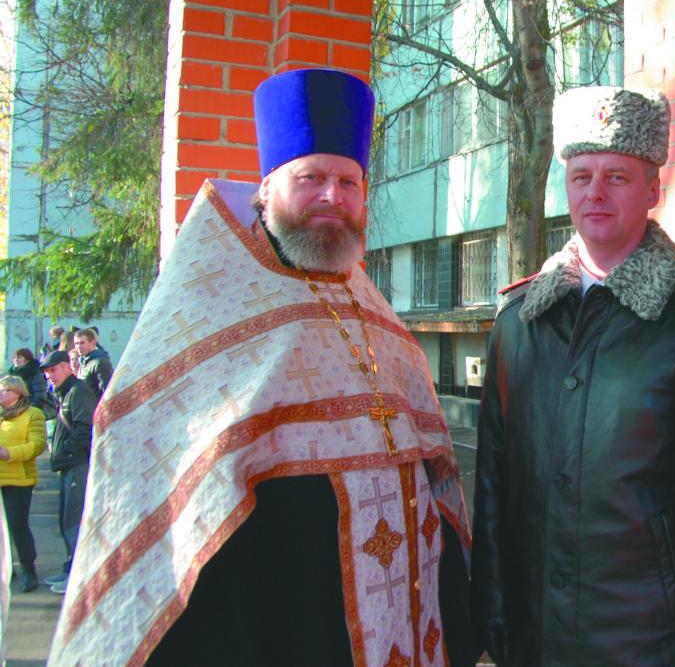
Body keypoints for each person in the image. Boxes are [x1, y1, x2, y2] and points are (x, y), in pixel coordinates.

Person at [48, 68, 473, 667]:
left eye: (348, 182)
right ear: (267, 186)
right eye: (311, 178)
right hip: (281, 609)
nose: (332, 197)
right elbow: (146, 446)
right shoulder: (215, 303)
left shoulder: (371, 306)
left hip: (404, 611)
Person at [472, 86, 675, 666]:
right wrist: (493, 614)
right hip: (534, 638)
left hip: (652, 642)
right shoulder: (519, 319)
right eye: (581, 176)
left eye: (617, 176)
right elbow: (492, 486)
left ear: (653, 189)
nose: (595, 193)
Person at [39, 349, 97, 595]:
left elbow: (86, 427)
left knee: (73, 522)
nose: (49, 376)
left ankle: (78, 577)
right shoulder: (65, 392)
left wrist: (66, 452)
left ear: (66, 367)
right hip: (69, 464)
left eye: (53, 370)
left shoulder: (77, 391)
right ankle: (70, 568)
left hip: (77, 464)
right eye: (46, 372)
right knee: (66, 520)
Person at [0, 375, 48, 593]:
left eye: (5, 390)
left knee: (17, 525)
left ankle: (29, 570)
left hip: (19, 479)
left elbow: (37, 445)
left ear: (18, 393)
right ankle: (7, 569)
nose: (1, 393)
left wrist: (8, 453)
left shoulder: (33, 414)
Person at [73, 328, 113, 400]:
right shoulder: (83, 361)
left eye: (82, 343)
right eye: (76, 344)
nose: (78, 346)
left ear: (92, 343)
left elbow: (107, 392)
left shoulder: (101, 363)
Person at [8, 348, 49, 416]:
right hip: (13, 411)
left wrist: (28, 411)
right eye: (14, 358)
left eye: (19, 358)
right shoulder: (11, 376)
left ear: (27, 360)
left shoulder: (34, 374)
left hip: (29, 412)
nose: (16, 360)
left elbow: (40, 396)